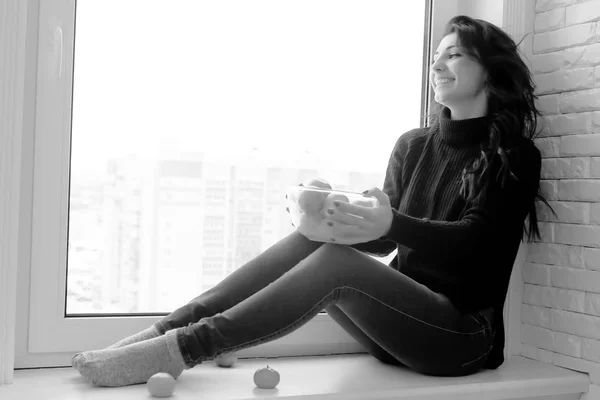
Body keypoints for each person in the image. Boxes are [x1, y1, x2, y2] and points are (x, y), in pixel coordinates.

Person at [72, 15, 553, 387]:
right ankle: (170, 330)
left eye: (454, 56)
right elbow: (373, 246)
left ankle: (185, 348)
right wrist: (326, 219)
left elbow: (473, 245)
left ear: (489, 72)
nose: (437, 65)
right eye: (436, 56)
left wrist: (391, 223)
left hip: (461, 340)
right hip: (397, 333)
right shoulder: (414, 144)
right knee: (318, 243)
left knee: (335, 262)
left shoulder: (513, 156)